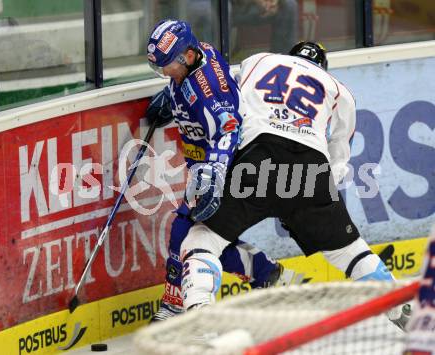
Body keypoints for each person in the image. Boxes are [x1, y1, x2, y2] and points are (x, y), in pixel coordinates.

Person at [171, 41, 410, 329]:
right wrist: (302, 206)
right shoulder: (339, 90)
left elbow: (228, 102)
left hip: (256, 158)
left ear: (289, 55)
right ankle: (405, 314)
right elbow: (338, 158)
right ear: (322, 67)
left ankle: (199, 320)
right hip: (310, 169)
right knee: (349, 251)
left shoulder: (258, 59)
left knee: (201, 240)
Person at [144, 19, 293, 321]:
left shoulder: (207, 86)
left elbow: (227, 129)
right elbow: (187, 91)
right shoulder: (196, 58)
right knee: (208, 238)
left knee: (183, 234)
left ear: (186, 56)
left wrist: (213, 175)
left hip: (229, 166)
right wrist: (172, 100)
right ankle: (266, 272)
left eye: (166, 67)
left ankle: (174, 309)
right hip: (210, 164)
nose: (165, 73)